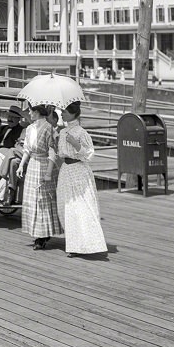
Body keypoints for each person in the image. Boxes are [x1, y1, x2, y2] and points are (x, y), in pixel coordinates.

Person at [53, 101, 107, 257]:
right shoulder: (63, 132)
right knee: (67, 206)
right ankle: (74, 243)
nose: (61, 114)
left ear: (73, 114)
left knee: (82, 205)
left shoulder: (81, 132)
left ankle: (89, 242)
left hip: (78, 170)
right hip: (66, 170)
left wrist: (76, 144)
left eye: (64, 111)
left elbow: (89, 154)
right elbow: (61, 153)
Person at [16, 103, 62, 250]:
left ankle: (42, 236)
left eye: (30, 110)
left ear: (37, 112)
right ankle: (38, 233)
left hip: (44, 165)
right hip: (33, 165)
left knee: (43, 200)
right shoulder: (30, 129)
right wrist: (21, 165)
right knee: (32, 199)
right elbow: (27, 149)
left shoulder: (49, 128)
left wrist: (49, 172)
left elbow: (53, 152)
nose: (29, 113)